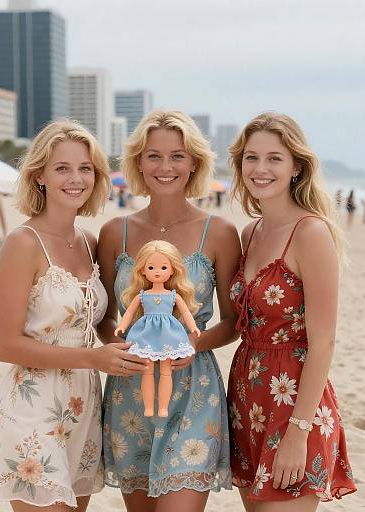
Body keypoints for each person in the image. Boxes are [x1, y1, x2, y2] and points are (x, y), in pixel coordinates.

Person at [0, 119, 147, 512]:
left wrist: (123, 343)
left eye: (85, 168)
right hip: (33, 404)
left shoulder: (88, 242)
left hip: (84, 403)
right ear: (40, 177)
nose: (76, 178)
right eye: (62, 168)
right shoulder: (22, 243)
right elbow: (6, 345)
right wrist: (93, 358)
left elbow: (95, 322)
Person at [97, 109, 241, 512]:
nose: (165, 166)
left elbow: (233, 321)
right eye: (154, 155)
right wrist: (120, 348)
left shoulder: (221, 233)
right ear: (139, 162)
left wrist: (191, 346)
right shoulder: (114, 233)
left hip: (193, 388)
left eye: (177, 156)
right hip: (131, 389)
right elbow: (105, 317)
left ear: (194, 162)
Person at [227, 112, 356, 511]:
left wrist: (298, 433)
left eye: (274, 158)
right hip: (248, 400)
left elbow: (324, 342)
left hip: (295, 405)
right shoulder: (251, 232)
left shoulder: (312, 233)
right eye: (251, 158)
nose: (260, 169)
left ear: (296, 166)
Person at [115, 240, 200, 417]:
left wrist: (193, 328)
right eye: (151, 267)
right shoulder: (142, 295)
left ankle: (163, 407)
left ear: (172, 270)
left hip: (169, 334)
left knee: (166, 371)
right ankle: (148, 407)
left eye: (163, 268)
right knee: (146, 370)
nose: (157, 272)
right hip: (146, 334)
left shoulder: (174, 295)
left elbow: (185, 312)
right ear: (143, 270)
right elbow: (129, 313)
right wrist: (122, 326)